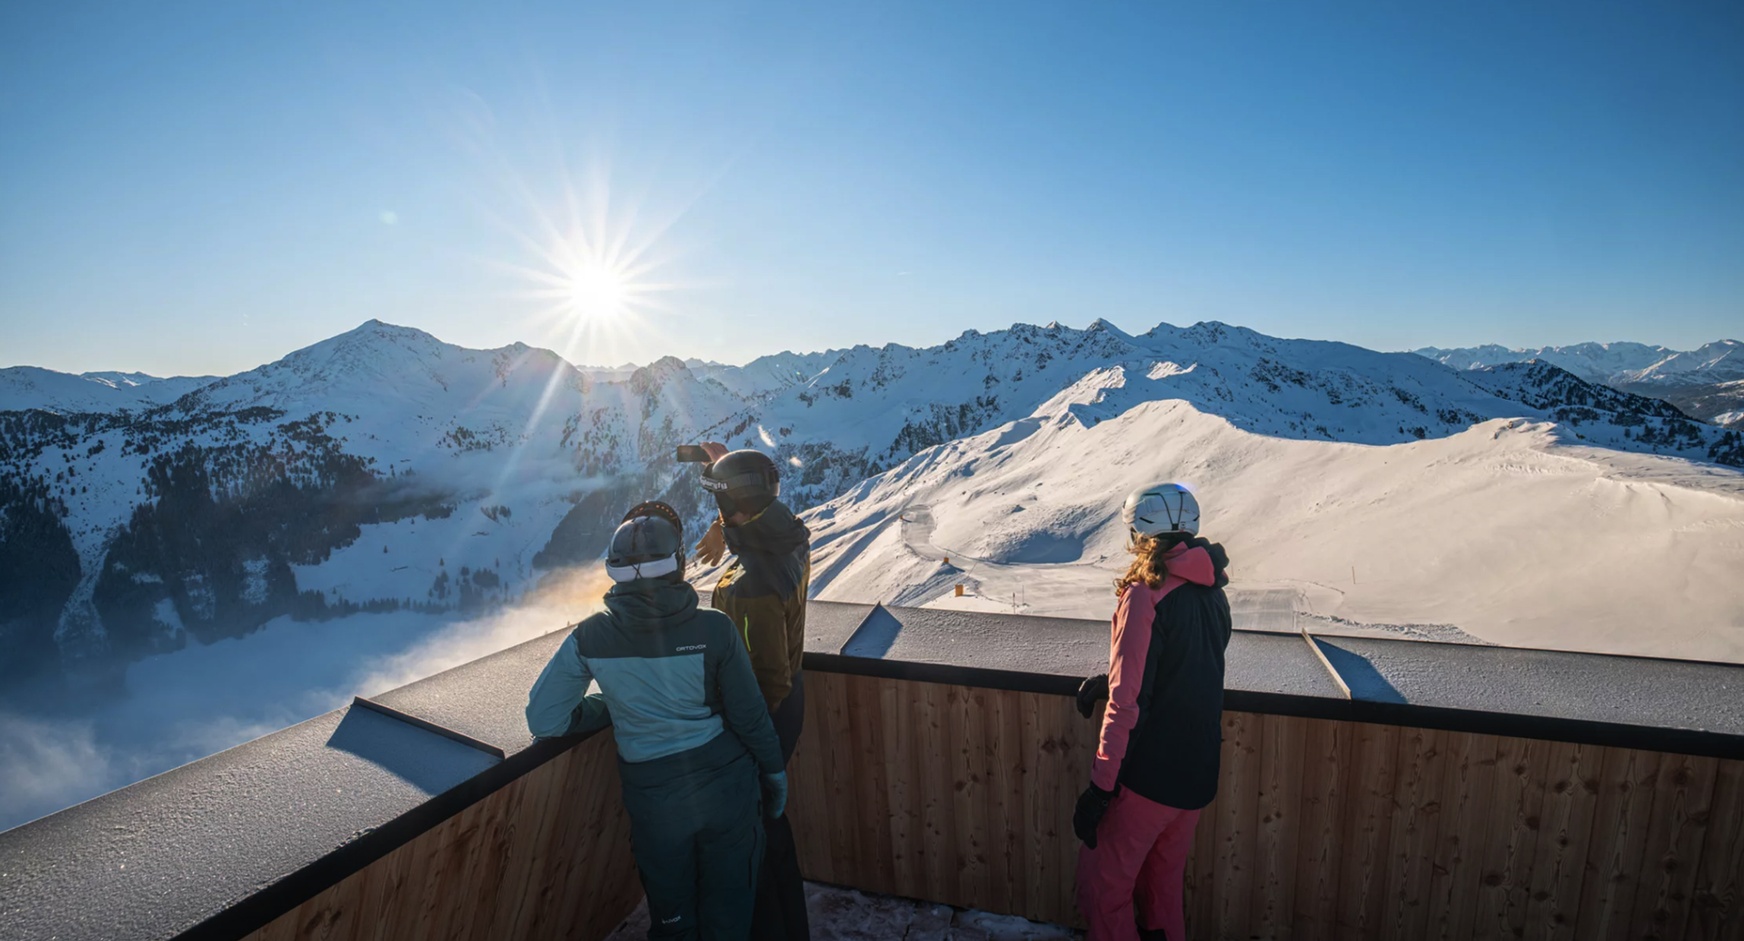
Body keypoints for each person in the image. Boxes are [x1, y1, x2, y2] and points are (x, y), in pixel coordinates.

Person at [525, 505, 786, 941]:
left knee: (672, 916)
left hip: (654, 802)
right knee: (730, 909)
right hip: (728, 790)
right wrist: (774, 772)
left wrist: (611, 705)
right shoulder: (715, 629)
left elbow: (545, 719)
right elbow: (748, 714)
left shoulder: (589, 637)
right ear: (678, 564)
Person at [1072, 483, 1231, 941]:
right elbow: (1187, 668)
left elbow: (1127, 705)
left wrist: (1100, 790)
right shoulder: (1213, 592)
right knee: (1162, 891)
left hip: (1148, 779)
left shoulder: (1147, 591)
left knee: (1107, 890)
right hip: (1197, 774)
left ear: (1140, 534)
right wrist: (1114, 678)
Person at [693, 444, 812, 941]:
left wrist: (737, 743)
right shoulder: (787, 535)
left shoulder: (751, 584)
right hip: (791, 699)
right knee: (772, 828)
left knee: (754, 842)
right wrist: (723, 477)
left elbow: (767, 682)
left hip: (761, 719)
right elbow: (757, 508)